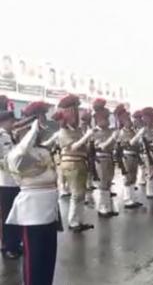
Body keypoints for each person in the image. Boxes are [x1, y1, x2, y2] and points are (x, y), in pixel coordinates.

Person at [6, 101, 60, 285]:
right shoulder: (15, 155)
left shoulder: (42, 151)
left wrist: (42, 127)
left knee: (48, 258)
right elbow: (21, 153)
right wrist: (32, 129)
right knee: (34, 260)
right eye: (29, 130)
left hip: (50, 212)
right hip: (33, 214)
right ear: (21, 132)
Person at [55, 94, 94, 232]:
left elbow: (83, 146)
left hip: (80, 163)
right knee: (76, 194)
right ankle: (73, 222)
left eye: (76, 111)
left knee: (81, 194)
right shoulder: (63, 131)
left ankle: (78, 220)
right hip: (72, 163)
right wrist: (87, 136)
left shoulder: (76, 130)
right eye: (73, 112)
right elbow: (72, 147)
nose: (76, 115)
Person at [0, 106, 21, 260]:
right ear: (5, 121)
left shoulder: (10, 135)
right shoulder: (2, 136)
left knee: (14, 214)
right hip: (5, 182)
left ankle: (13, 243)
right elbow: (7, 158)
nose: (13, 123)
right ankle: (8, 247)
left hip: (13, 181)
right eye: (12, 121)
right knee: (8, 215)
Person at [92, 99, 118, 217]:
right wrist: (112, 139)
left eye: (107, 118)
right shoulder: (95, 132)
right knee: (103, 182)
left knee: (108, 181)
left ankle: (108, 206)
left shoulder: (110, 131)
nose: (107, 121)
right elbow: (100, 146)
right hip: (101, 159)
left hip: (109, 157)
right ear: (98, 120)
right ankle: (102, 208)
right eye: (104, 118)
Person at [114, 104, 143, 208]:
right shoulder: (122, 132)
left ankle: (133, 198)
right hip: (127, 156)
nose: (130, 121)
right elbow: (127, 144)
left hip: (134, 155)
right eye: (127, 120)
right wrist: (138, 135)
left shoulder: (132, 131)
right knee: (128, 178)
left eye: (129, 119)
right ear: (123, 122)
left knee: (133, 178)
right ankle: (127, 199)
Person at [131, 108, 153, 198]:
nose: (150, 120)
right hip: (146, 152)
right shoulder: (143, 130)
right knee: (150, 170)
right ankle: (150, 191)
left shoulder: (148, 129)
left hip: (150, 151)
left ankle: (151, 189)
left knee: (152, 169)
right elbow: (143, 142)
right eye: (148, 118)